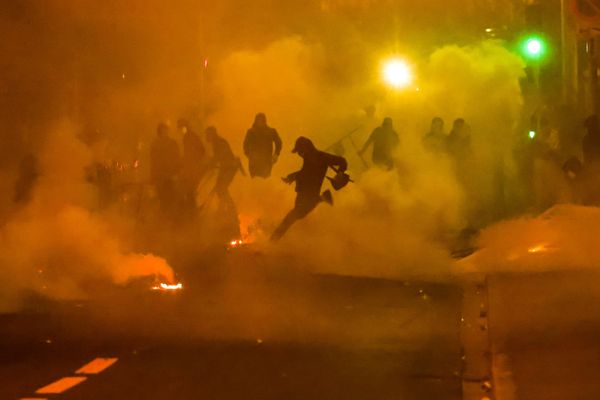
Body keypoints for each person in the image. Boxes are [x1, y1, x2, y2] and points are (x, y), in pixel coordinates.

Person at [271, 136, 347, 241]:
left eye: (300, 151)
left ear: (305, 148)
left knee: (292, 217)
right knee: (295, 216)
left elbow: (342, 161)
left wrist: (340, 174)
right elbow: (305, 172)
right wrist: (292, 177)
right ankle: (322, 198)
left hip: (309, 194)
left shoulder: (321, 157)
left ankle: (273, 240)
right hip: (304, 193)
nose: (299, 154)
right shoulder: (309, 157)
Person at [205, 126, 239, 219]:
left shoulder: (219, 142)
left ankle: (230, 209)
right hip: (226, 168)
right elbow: (218, 157)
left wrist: (210, 164)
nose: (206, 137)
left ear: (212, 134)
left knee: (221, 188)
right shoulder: (216, 142)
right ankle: (224, 208)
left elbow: (220, 156)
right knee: (220, 188)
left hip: (229, 168)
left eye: (207, 134)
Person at [150, 122, 181, 217]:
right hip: (160, 176)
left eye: (166, 130)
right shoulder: (155, 144)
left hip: (170, 175)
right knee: (162, 197)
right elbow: (153, 160)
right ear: (159, 132)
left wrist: (176, 172)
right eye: (163, 131)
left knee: (171, 197)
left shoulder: (172, 143)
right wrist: (153, 175)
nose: (165, 132)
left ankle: (171, 218)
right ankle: (165, 218)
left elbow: (177, 158)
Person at [243, 113, 282, 178]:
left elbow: (279, 143)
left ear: (264, 121)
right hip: (254, 162)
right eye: (258, 120)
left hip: (266, 161)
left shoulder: (270, 131)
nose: (260, 122)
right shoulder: (251, 132)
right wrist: (249, 155)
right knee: (255, 180)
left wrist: (276, 154)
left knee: (265, 179)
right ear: (255, 121)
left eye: (261, 120)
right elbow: (245, 145)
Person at [178, 118, 206, 211]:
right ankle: (192, 211)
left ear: (185, 127)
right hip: (191, 167)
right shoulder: (189, 136)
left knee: (190, 190)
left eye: (181, 127)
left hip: (193, 168)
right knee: (190, 190)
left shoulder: (189, 136)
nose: (180, 130)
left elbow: (201, 150)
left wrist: (193, 161)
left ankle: (192, 212)